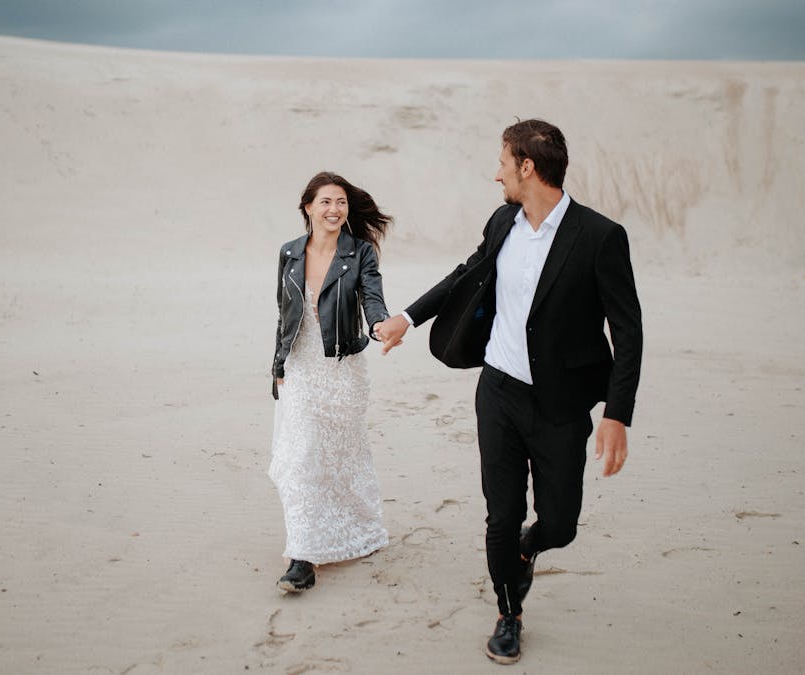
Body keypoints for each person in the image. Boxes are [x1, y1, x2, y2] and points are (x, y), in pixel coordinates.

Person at [374, 119, 643, 664]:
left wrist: (617, 413)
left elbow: (628, 329)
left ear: (528, 167)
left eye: (503, 162)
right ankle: (508, 613)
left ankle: (532, 546)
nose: (495, 174)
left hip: (562, 406)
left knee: (561, 524)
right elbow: (466, 273)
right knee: (500, 514)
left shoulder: (599, 237)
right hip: (497, 392)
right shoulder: (503, 222)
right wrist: (408, 317)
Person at [269, 171, 394, 593]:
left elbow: (373, 298)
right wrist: (277, 369)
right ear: (308, 207)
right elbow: (282, 316)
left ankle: (361, 529)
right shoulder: (289, 253)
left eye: (340, 202)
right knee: (302, 457)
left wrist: (379, 324)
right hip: (302, 369)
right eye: (325, 201)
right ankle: (302, 558)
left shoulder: (359, 252)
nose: (334, 209)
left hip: (342, 371)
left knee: (343, 459)